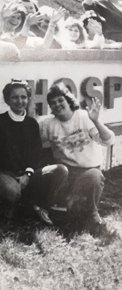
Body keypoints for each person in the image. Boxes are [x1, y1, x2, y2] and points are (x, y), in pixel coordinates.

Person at [0, 80, 67, 223]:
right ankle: (16, 210)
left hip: (26, 174)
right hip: (3, 175)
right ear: (7, 100)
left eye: (23, 97)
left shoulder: (31, 123)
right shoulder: (0, 121)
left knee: (60, 170)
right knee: (12, 190)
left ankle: (41, 207)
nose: (20, 101)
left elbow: (35, 152)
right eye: (15, 97)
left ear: (28, 99)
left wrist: (28, 174)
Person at [39, 85, 115, 227]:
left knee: (94, 176)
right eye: (53, 103)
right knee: (65, 206)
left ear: (69, 101)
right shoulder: (48, 123)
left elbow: (108, 140)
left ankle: (92, 213)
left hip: (88, 170)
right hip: (66, 173)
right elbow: (32, 140)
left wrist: (96, 121)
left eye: (60, 100)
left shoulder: (84, 117)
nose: (57, 105)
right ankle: (52, 208)